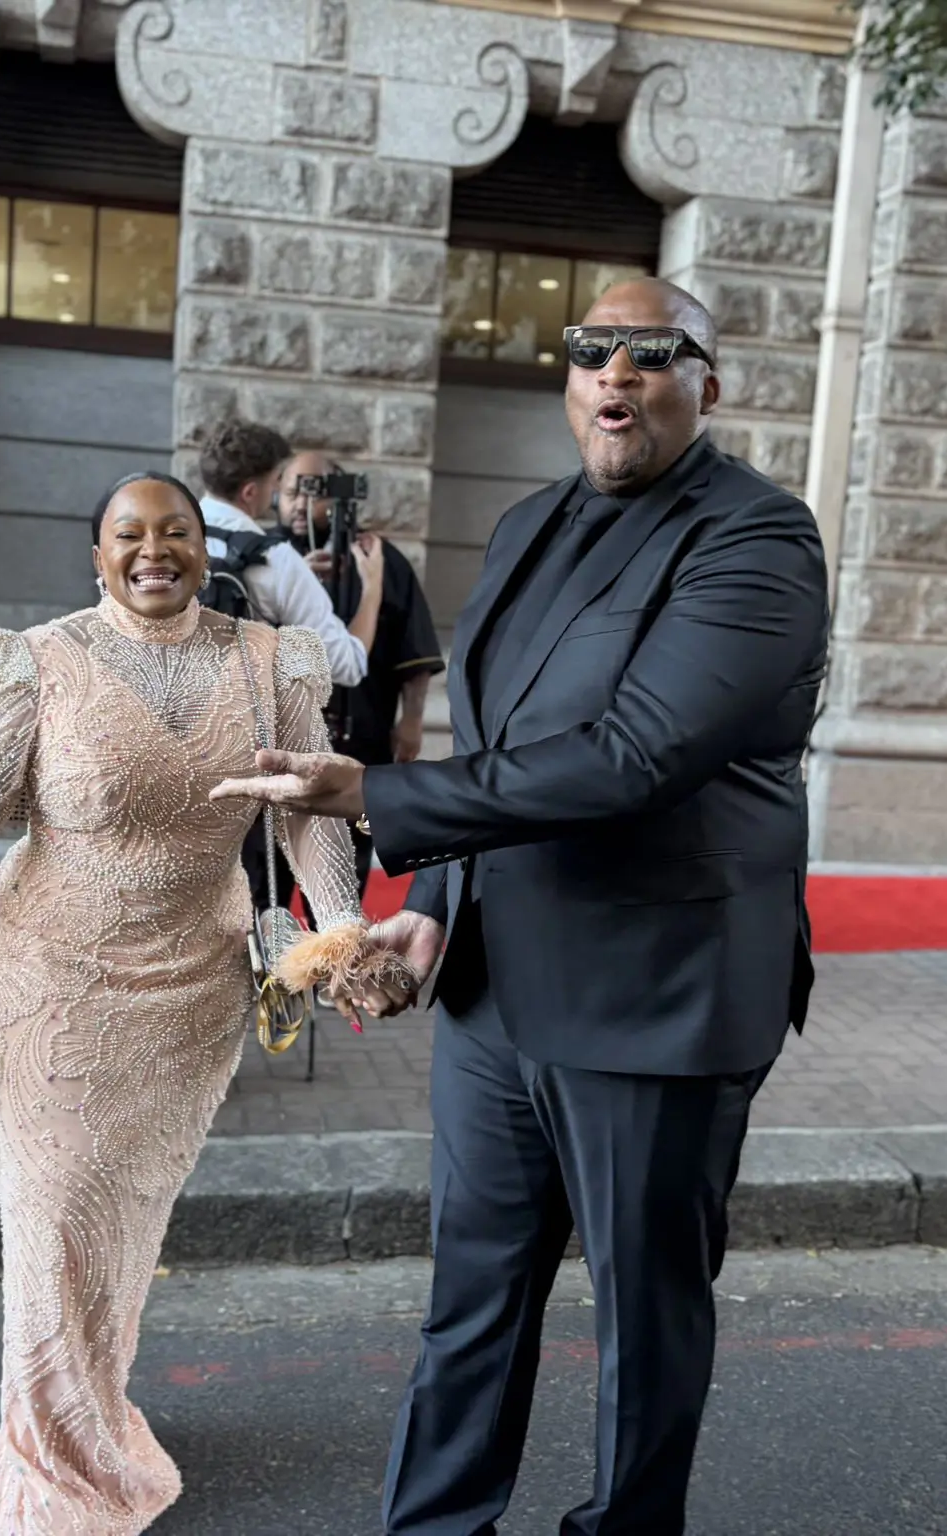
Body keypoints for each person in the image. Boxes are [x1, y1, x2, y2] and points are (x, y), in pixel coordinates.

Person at [212, 278, 830, 1534]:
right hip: (497, 997)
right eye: (591, 350)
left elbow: (631, 755)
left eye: (652, 354)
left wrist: (374, 796)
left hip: (655, 1000)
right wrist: (433, 903)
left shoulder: (758, 539)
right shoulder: (530, 523)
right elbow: (495, 733)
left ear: (707, 382)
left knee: (641, 1329)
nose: (615, 374)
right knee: (469, 1305)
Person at [0, 471, 409, 1535]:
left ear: (205, 548)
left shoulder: (267, 662)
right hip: (48, 985)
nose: (152, 551)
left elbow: (307, 816)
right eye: (128, 535)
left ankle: (90, 1408)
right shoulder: (38, 664)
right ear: (96, 554)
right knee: (55, 1220)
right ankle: (53, 1458)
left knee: (122, 1224)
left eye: (175, 533)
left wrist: (337, 931)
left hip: (191, 993)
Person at [194, 420, 383, 911]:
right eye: (279, 484)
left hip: (167, 743)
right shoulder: (274, 558)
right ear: (253, 490)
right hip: (248, 756)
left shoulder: (165, 536)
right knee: (254, 904)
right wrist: (373, 584)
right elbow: (346, 664)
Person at [279, 448, 444, 896]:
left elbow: (414, 646)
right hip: (279, 740)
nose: (298, 503)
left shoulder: (376, 557)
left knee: (343, 880)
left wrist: (410, 722)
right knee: (270, 879)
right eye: (290, 490)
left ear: (336, 498)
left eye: (311, 491)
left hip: (362, 738)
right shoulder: (268, 557)